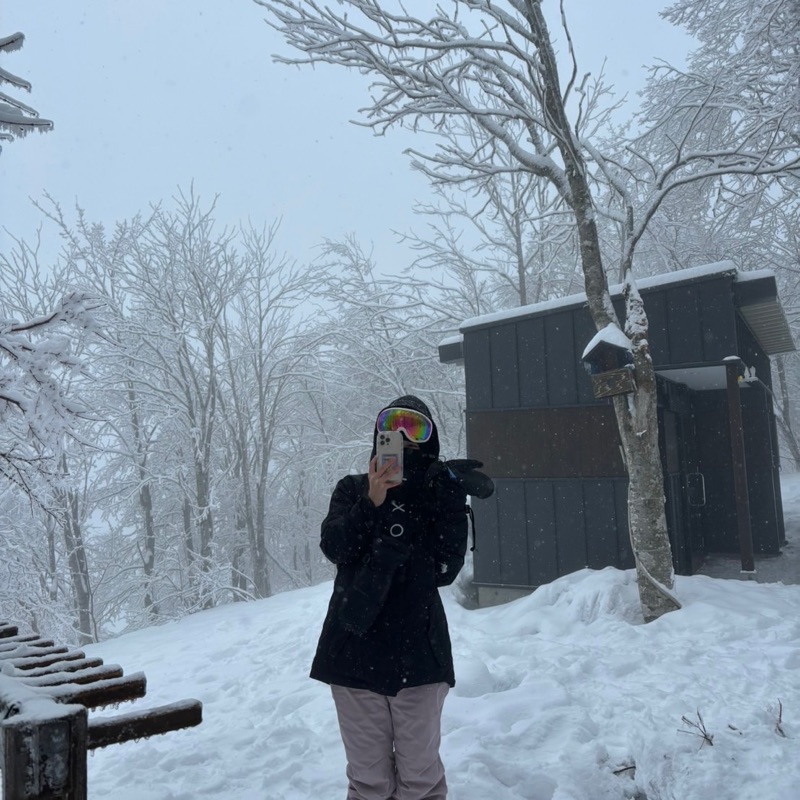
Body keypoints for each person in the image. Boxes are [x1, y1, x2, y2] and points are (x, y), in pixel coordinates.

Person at [310, 395, 470, 800]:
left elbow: (445, 570)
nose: (402, 435)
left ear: (430, 438)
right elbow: (335, 547)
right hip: (353, 651)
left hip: (419, 655)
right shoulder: (352, 490)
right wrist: (371, 503)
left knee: (420, 780)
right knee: (369, 783)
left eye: (415, 427)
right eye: (392, 425)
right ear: (378, 435)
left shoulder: (436, 493)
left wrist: (451, 505)